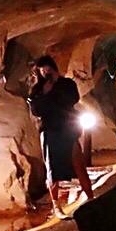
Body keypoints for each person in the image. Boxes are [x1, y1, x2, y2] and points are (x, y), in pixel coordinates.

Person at [27, 56, 95, 218]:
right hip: (50, 130)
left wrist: (55, 91)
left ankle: (91, 198)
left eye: (47, 69)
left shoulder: (67, 84)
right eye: (42, 70)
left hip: (67, 129)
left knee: (78, 164)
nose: (45, 73)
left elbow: (73, 99)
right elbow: (36, 110)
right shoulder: (38, 90)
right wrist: (46, 92)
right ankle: (56, 206)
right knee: (52, 169)